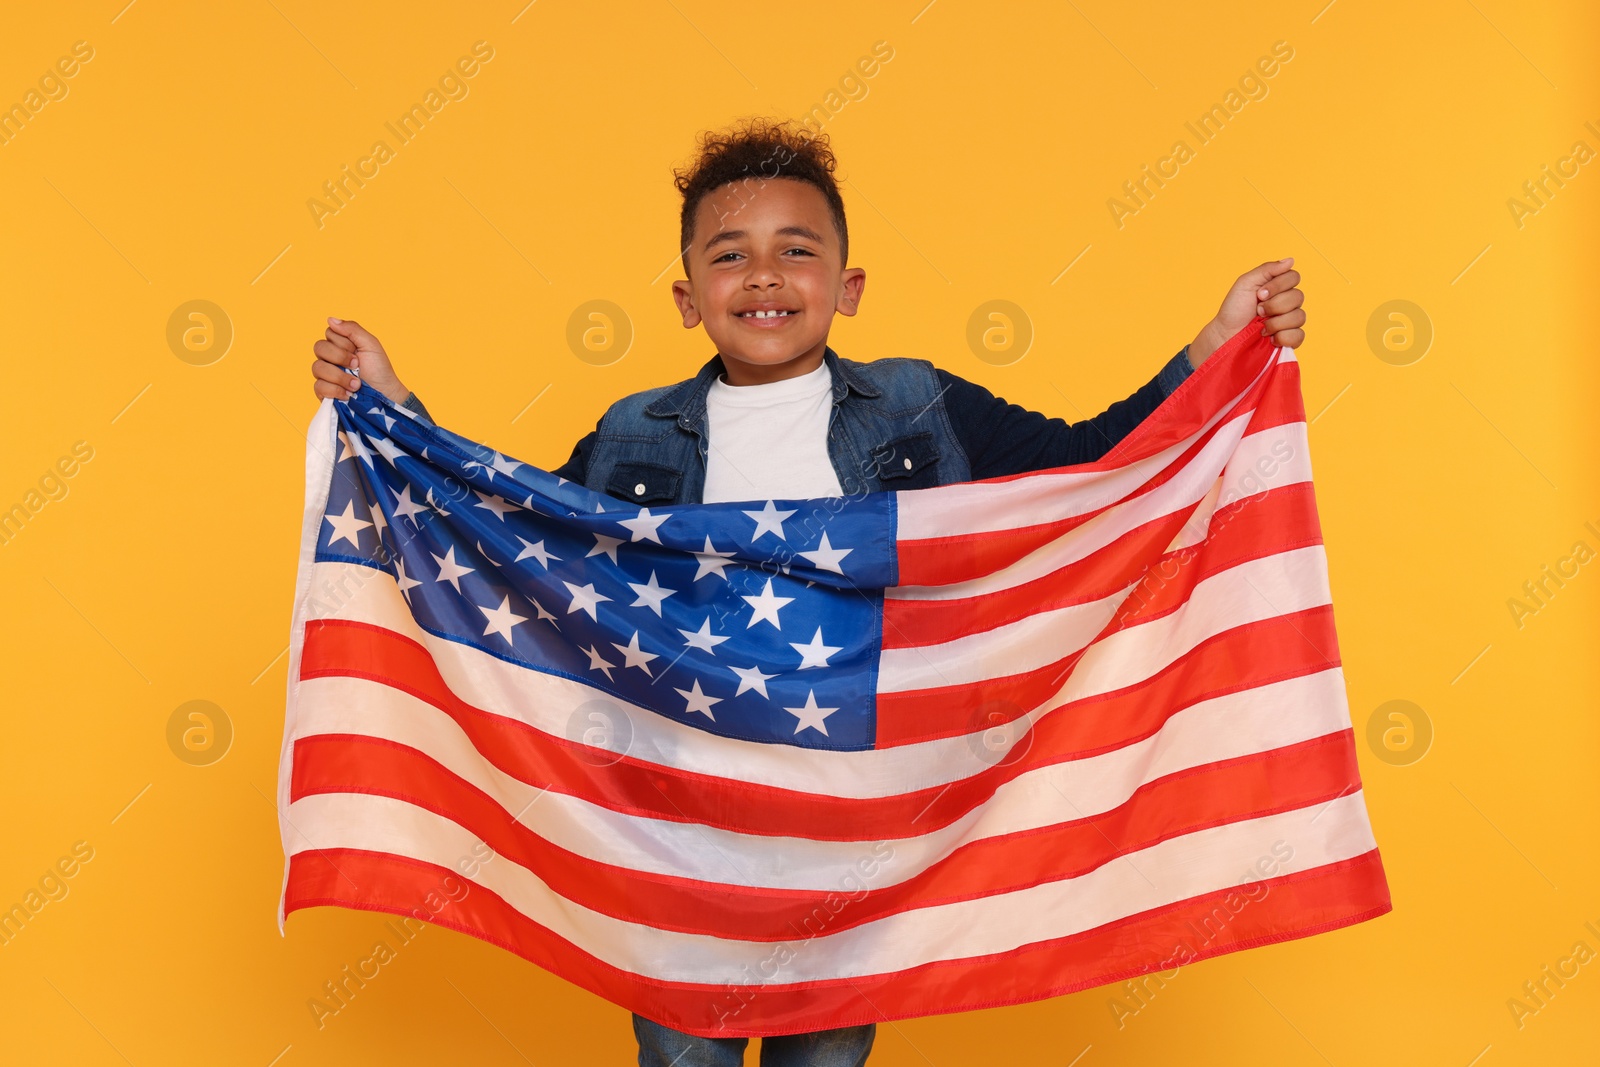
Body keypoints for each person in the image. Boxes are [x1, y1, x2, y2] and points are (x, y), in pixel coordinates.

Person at [307, 118, 1306, 1067]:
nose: (764, 277)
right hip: (680, 827)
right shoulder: (632, 434)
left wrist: (1216, 345)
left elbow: (1094, 467)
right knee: (681, 1049)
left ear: (847, 283)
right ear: (687, 296)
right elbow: (524, 551)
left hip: (858, 835)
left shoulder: (921, 403)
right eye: (728, 254)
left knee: (824, 1054)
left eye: (795, 249)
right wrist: (394, 415)